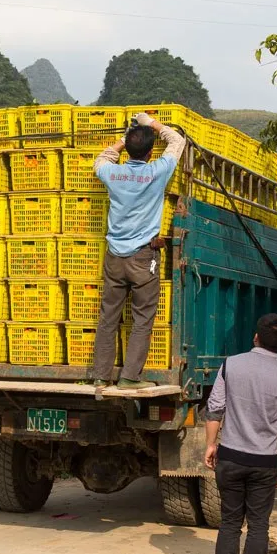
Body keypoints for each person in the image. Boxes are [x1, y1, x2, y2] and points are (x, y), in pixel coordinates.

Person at [204, 313, 277, 554]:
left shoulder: (230, 365)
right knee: (258, 525)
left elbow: (215, 408)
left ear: (256, 337)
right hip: (264, 461)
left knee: (230, 521)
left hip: (231, 456)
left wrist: (211, 445)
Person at [90, 111, 186, 389]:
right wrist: (151, 123)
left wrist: (124, 140)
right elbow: (177, 141)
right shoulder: (157, 172)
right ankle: (129, 377)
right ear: (150, 152)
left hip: (114, 256)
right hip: (143, 257)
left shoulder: (113, 173)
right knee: (142, 318)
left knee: (108, 317)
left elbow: (101, 160)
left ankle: (101, 376)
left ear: (128, 150)